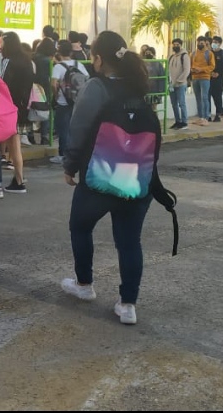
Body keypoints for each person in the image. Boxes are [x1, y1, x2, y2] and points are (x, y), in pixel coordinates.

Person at [59, 31, 162, 326]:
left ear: (99, 59)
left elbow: (78, 128)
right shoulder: (137, 85)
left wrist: (70, 165)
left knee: (80, 227)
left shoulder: (96, 87)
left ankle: (84, 285)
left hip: (99, 176)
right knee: (129, 242)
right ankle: (128, 305)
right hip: (136, 179)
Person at [0, 32, 32, 194]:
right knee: (15, 144)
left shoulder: (7, 61)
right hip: (22, 106)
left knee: (12, 145)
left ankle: (18, 180)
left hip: (8, 106)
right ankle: (19, 178)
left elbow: (0, 82)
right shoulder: (27, 61)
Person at [50, 40, 90, 163]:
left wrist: (56, 95)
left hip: (63, 102)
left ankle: (63, 155)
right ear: (71, 52)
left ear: (59, 52)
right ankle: (75, 153)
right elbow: (87, 79)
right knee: (75, 128)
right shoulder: (79, 65)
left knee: (63, 129)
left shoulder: (58, 67)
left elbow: (53, 84)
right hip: (77, 101)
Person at [30, 38, 56, 146]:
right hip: (45, 88)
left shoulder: (32, 57)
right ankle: (44, 136)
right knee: (46, 111)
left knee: (31, 110)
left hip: (32, 87)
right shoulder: (48, 61)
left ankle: (30, 135)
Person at [190, 37, 214, 125]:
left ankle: (206, 118)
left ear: (205, 43)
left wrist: (201, 69)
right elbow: (190, 65)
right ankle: (200, 117)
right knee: (198, 98)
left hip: (205, 77)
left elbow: (212, 66)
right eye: (199, 42)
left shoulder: (209, 54)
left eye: (202, 43)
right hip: (195, 77)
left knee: (204, 97)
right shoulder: (193, 54)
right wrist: (192, 69)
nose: (200, 44)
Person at [167, 38, 190, 130]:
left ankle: (184, 122)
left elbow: (186, 70)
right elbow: (168, 70)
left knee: (181, 103)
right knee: (174, 104)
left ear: (181, 45)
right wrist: (169, 82)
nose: (175, 46)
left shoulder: (184, 56)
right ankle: (177, 121)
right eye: (174, 45)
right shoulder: (171, 57)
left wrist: (179, 80)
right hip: (172, 85)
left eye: (177, 45)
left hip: (181, 84)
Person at [209, 36, 223, 121]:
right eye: (213, 42)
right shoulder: (209, 53)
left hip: (219, 78)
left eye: (216, 42)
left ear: (220, 44)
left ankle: (218, 113)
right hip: (209, 77)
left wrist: (218, 73)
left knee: (218, 96)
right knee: (207, 96)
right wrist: (211, 73)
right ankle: (208, 114)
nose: (214, 44)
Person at [143, 47, 166, 113]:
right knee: (146, 109)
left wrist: (161, 91)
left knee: (154, 108)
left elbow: (162, 78)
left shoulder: (158, 64)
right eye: (146, 53)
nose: (148, 54)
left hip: (155, 90)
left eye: (149, 53)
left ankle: (155, 119)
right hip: (146, 90)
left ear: (153, 54)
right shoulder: (143, 63)